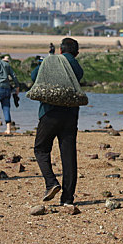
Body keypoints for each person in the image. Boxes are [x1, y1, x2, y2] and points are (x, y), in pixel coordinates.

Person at [31, 38, 84, 205]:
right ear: (76, 53)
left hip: (49, 113)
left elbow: (34, 76)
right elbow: (78, 76)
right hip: (71, 115)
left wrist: (47, 59)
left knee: (41, 149)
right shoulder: (76, 66)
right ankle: (68, 198)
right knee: (69, 155)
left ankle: (51, 182)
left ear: (60, 50)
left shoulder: (51, 60)